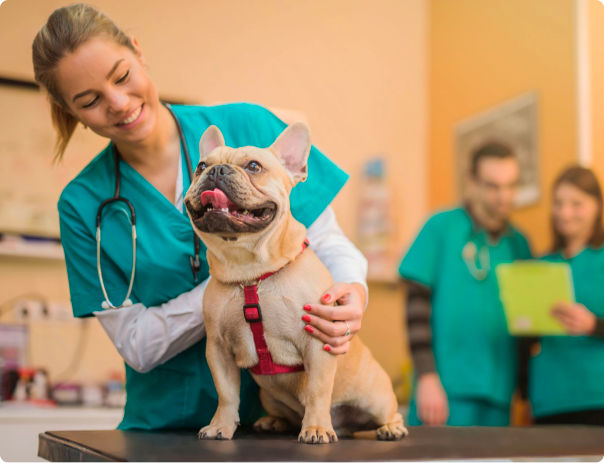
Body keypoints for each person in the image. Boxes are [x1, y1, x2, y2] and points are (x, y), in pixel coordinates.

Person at [32, 4, 369, 430]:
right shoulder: (83, 205)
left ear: (137, 51)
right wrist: (237, 282)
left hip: (286, 417)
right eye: (90, 100)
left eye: (121, 76)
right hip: (165, 429)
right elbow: (137, 345)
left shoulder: (247, 125)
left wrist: (351, 293)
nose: (118, 103)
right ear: (71, 111)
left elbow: (327, 242)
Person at [399, 141, 532, 426]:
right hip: (444, 392)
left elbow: (525, 324)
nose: (503, 196)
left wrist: (524, 388)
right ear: (471, 182)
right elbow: (416, 309)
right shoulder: (441, 227)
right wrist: (427, 377)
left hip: (499, 393)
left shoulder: (519, 244)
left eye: (510, 186)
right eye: (493, 186)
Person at [523, 166, 604, 425]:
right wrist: (525, 395)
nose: (565, 213)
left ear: (597, 207)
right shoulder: (539, 265)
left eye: (576, 204)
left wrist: (594, 325)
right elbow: (526, 341)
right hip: (548, 400)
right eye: (558, 203)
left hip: (596, 398)